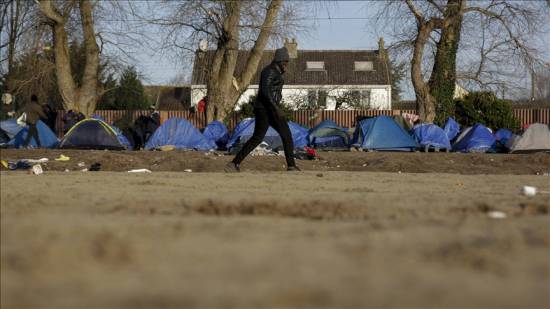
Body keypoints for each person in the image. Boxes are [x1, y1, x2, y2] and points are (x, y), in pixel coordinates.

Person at [225, 47, 300, 172]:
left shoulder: (276, 71)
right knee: (285, 135)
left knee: (259, 137)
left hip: (267, 108)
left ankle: (234, 164)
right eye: (286, 61)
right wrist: (276, 108)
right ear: (279, 60)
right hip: (266, 109)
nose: (287, 64)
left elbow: (273, 92)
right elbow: (266, 92)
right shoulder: (269, 71)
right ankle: (291, 166)